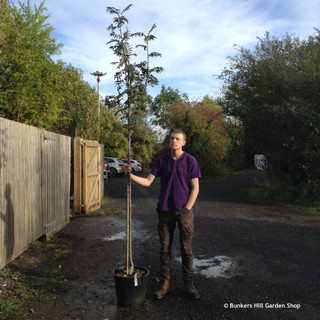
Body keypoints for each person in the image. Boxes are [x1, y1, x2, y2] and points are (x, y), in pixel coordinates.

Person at [124, 129, 201, 300]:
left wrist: (188, 208)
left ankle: (189, 283)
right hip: (165, 211)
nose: (174, 141)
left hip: (185, 212)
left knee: (186, 249)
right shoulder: (162, 160)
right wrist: (131, 175)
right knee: (164, 249)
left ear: (183, 143)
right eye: (172, 138)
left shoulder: (190, 161)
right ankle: (164, 283)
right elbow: (148, 182)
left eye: (177, 139)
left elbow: (195, 187)